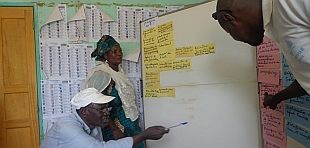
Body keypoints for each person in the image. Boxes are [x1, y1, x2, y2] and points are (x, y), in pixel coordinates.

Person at [212, 0, 310, 109]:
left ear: (228, 18)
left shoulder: (291, 4)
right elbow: (306, 77)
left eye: (230, 32)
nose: (235, 38)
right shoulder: (275, 23)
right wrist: (277, 98)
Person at [40, 88, 169, 148]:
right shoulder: (66, 127)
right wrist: (144, 135)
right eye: (101, 109)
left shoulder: (93, 126)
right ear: (84, 111)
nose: (106, 112)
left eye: (107, 108)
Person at [84, 35, 144, 147]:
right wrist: (114, 129)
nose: (119, 54)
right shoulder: (102, 74)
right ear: (105, 55)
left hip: (131, 123)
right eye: (114, 51)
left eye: (120, 51)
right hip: (116, 127)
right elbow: (98, 107)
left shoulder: (119, 73)